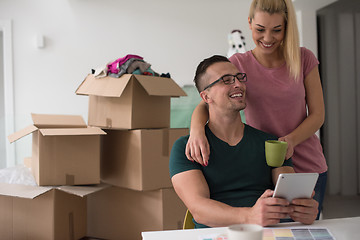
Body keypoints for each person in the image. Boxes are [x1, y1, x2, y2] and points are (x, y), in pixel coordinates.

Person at [185, 0, 327, 220]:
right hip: (261, 166)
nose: (268, 38)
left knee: (303, 229)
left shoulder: (304, 58)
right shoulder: (238, 64)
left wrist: (289, 141)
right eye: (260, 30)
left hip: (305, 163)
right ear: (249, 24)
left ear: (287, 27)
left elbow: (318, 115)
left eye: (277, 30)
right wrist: (196, 132)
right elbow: (206, 101)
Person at [169, 55, 318, 228]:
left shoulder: (271, 143)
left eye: (239, 78)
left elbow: (290, 197)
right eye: (226, 80)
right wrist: (249, 216)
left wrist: (303, 209)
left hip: (266, 234)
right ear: (206, 97)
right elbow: (199, 209)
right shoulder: (186, 148)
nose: (238, 84)